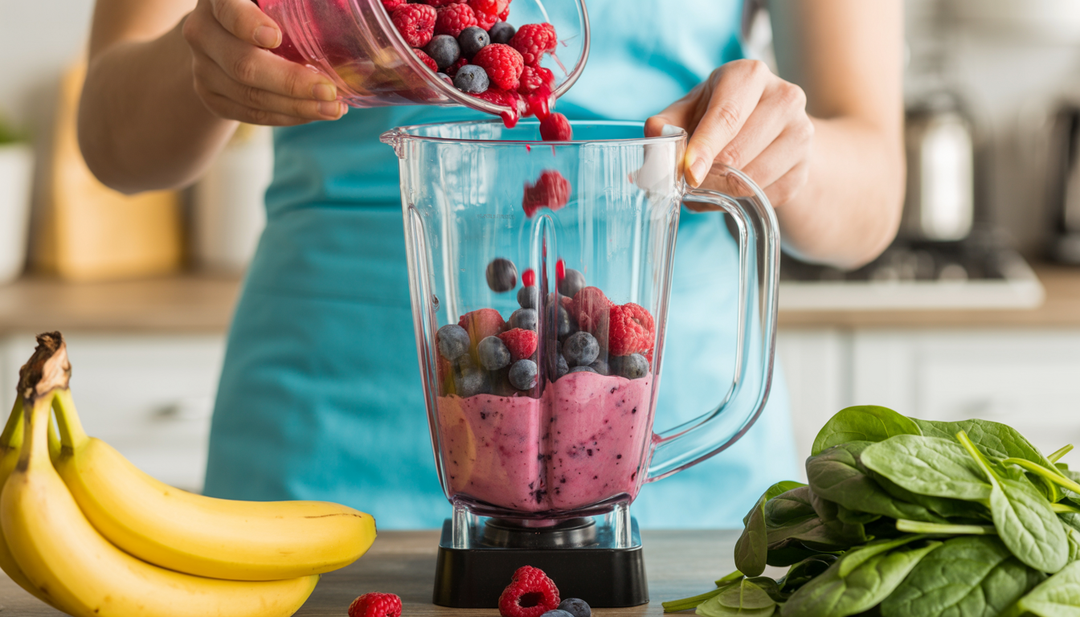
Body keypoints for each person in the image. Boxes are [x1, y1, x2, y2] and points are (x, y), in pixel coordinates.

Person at [78, 0, 904, 528]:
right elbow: (113, 141)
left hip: (674, 478)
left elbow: (869, 192)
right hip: (322, 451)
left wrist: (789, 154)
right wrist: (206, 64)